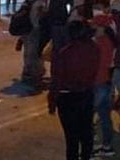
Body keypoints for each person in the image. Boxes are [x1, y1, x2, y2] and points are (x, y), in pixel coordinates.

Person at [48, 20, 99, 160]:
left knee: (71, 138)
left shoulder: (65, 53)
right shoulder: (93, 48)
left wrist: (52, 101)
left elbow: (57, 79)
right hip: (87, 94)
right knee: (86, 132)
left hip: (68, 98)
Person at [90, 0, 117, 157]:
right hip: (105, 80)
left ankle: (89, 148)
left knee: (88, 116)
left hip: (97, 82)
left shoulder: (97, 43)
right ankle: (107, 147)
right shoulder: (109, 40)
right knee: (105, 116)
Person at [20, 0, 47, 92]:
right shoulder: (40, 4)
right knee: (36, 54)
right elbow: (41, 18)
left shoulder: (27, 1)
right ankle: (35, 78)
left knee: (28, 52)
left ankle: (26, 72)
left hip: (26, 30)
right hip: (35, 31)